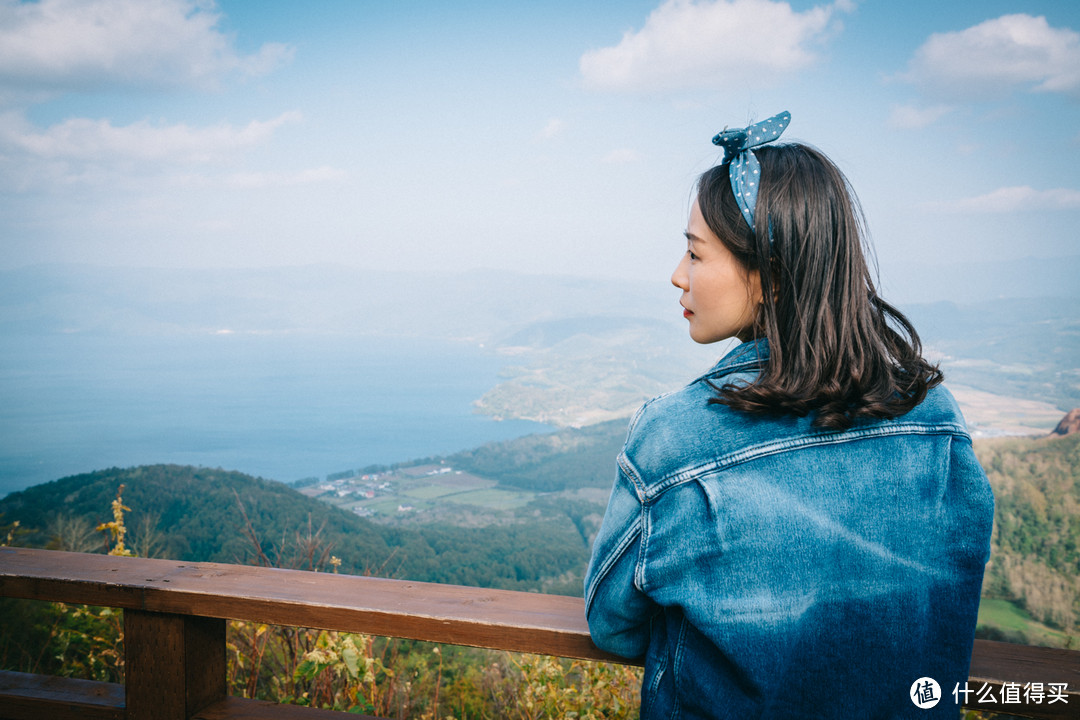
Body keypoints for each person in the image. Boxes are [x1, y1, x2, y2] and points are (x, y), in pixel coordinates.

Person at [584, 112, 994, 719]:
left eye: (695, 254)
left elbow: (612, 623)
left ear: (770, 276)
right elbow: (950, 602)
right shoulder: (934, 416)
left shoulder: (677, 437)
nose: (677, 274)